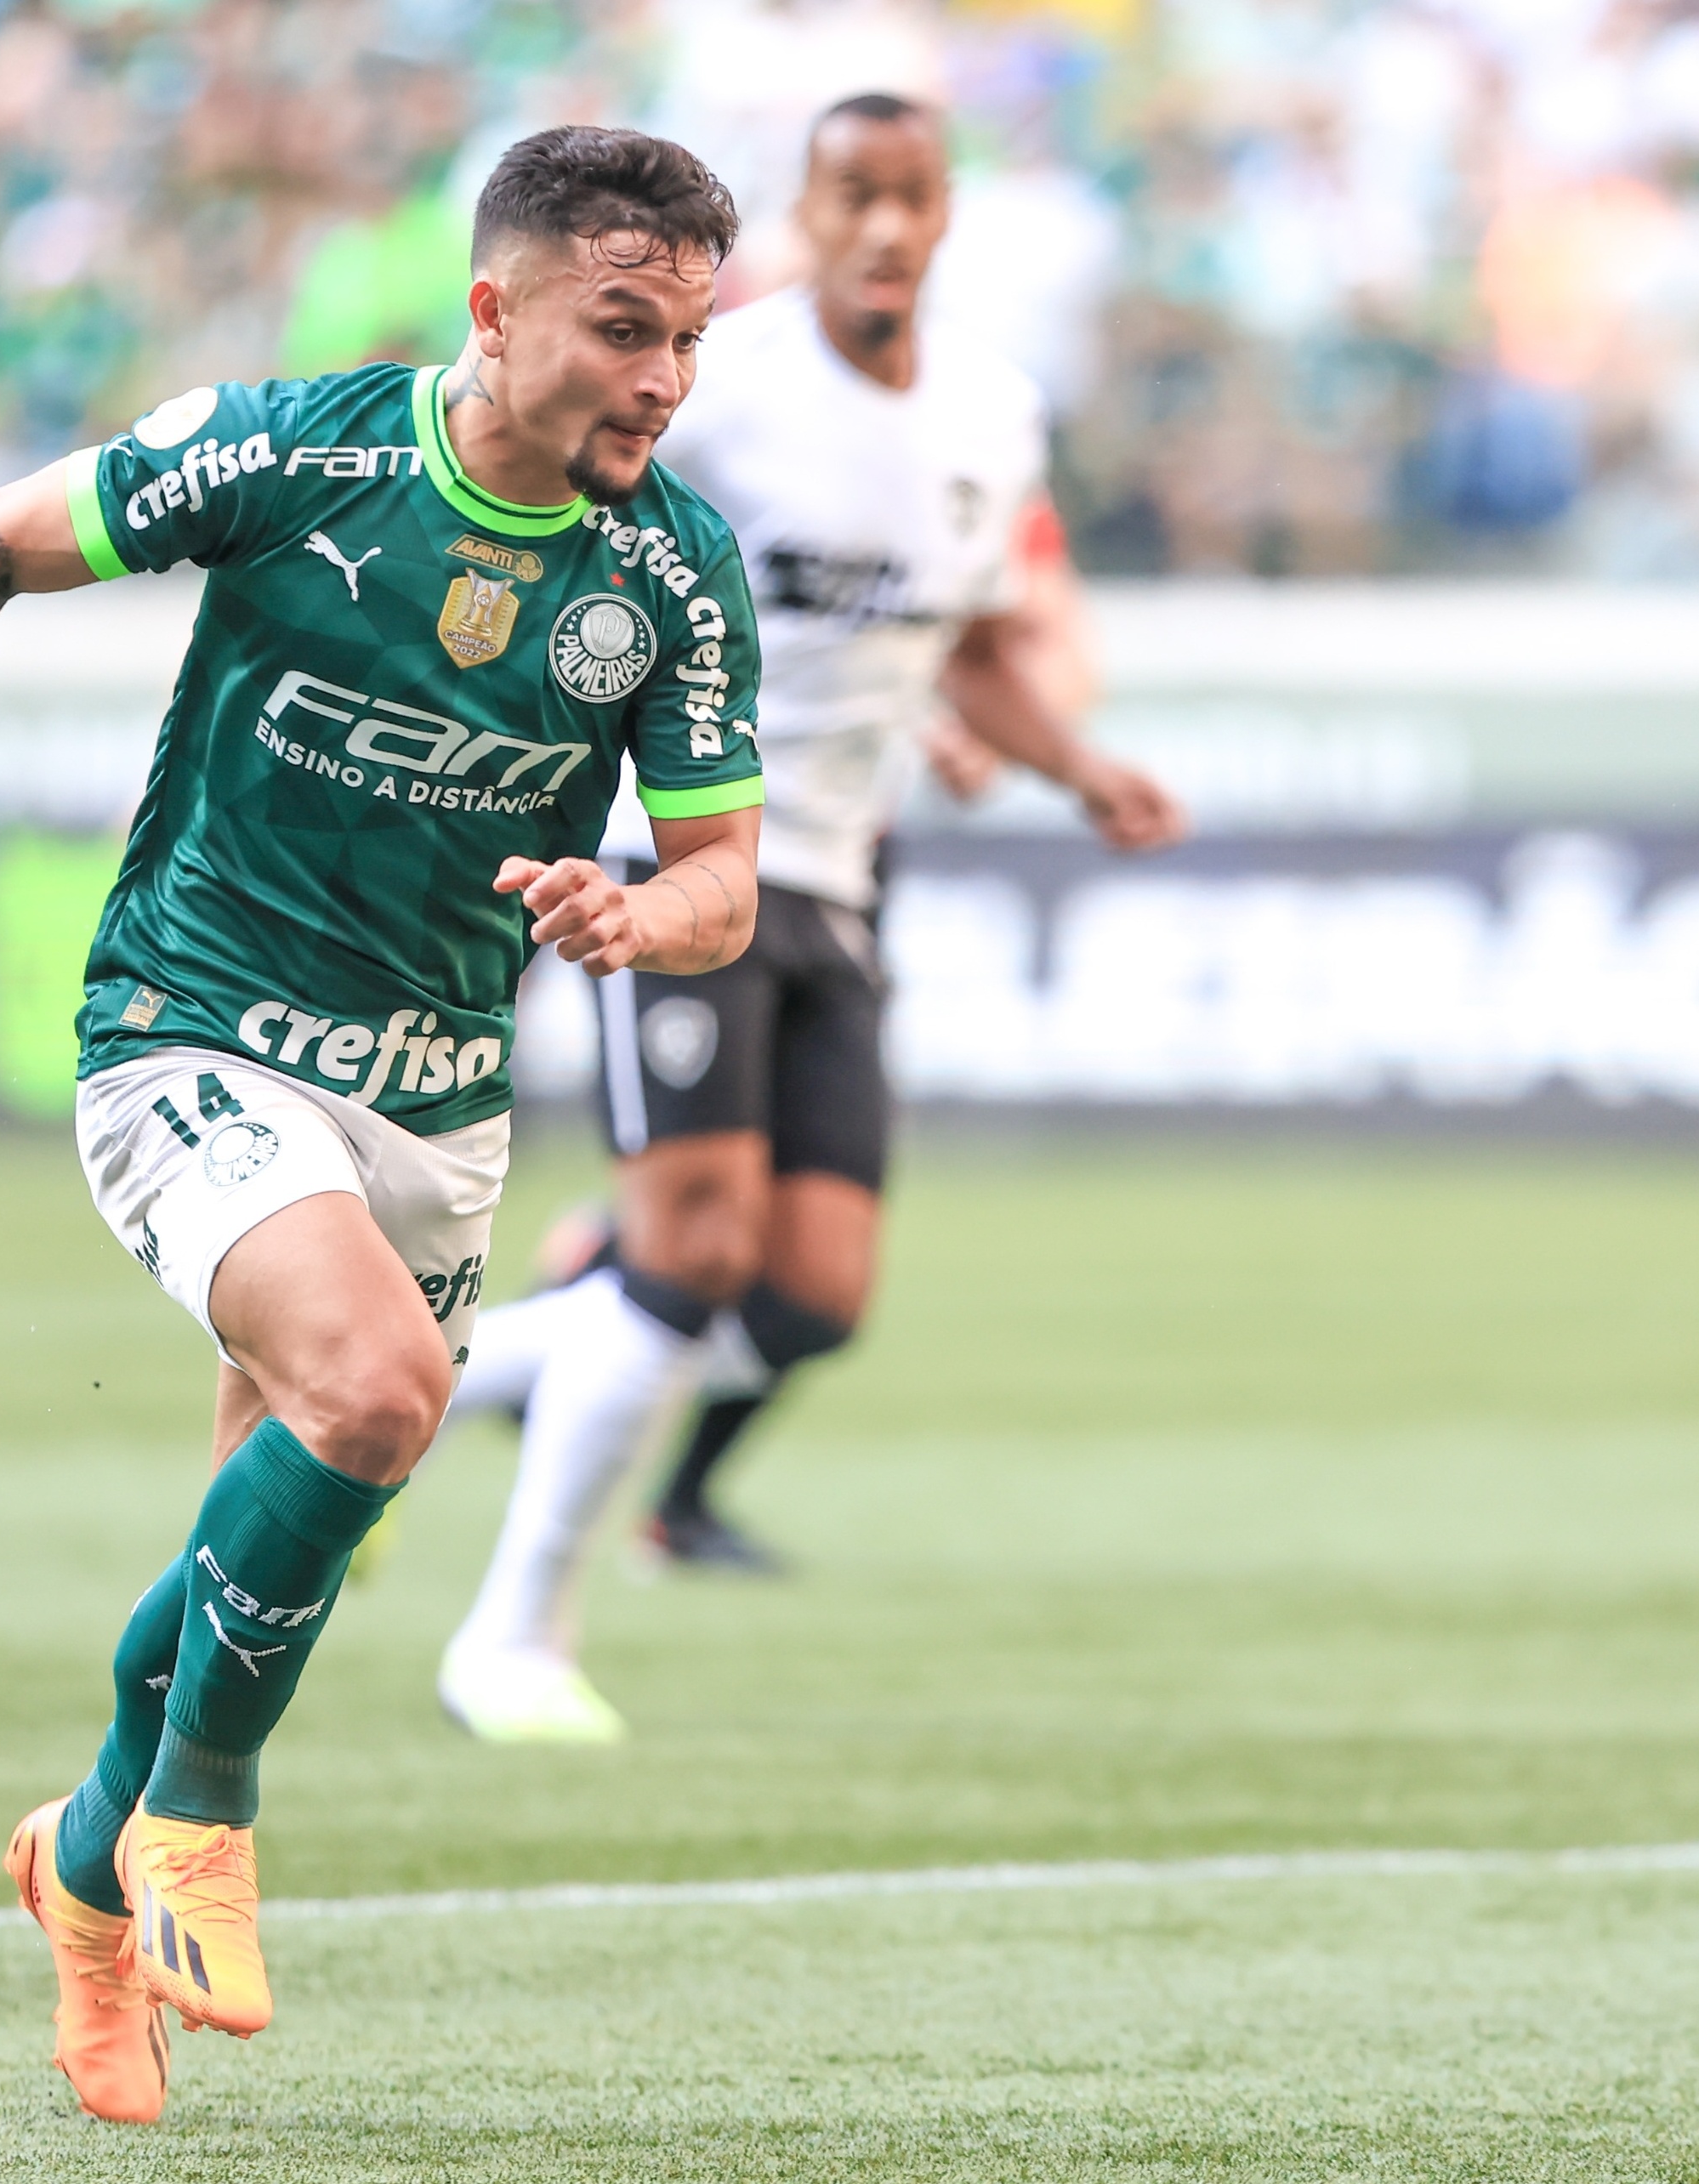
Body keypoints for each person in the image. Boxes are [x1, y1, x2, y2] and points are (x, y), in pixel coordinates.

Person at [0, 124, 762, 2129]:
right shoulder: (292, 451)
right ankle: (201, 1804)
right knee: (378, 1394)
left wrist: (642, 908)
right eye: (621, 329)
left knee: (273, 1542)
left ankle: (83, 1864)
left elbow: (730, 874)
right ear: (494, 311)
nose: (659, 380)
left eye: (687, 344)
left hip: (438, 1101)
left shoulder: (673, 567)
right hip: (195, 1025)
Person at [435, 94, 1185, 1746]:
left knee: (810, 1297)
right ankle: (511, 1634)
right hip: (674, 852)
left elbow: (976, 646)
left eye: (915, 197)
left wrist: (1079, 769)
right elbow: (565, 513)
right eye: (856, 196)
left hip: (840, 875)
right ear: (812, 208)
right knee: (694, 1247)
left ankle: (426, 1386)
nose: (887, 230)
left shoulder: (994, 415)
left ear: (947, 214)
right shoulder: (726, 388)